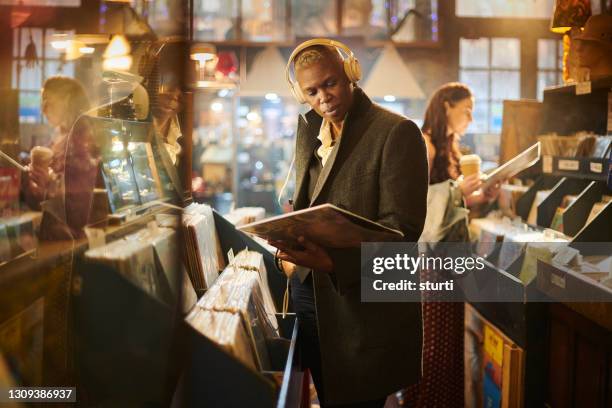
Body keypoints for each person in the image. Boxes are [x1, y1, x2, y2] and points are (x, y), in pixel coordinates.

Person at [271, 39, 429, 407]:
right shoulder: (311, 131)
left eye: (330, 83)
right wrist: (289, 250)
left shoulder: (396, 132)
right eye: (311, 91)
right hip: (310, 296)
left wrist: (333, 262)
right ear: (301, 94)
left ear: (351, 75)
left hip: (359, 307)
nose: (323, 97)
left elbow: (402, 234)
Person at [401, 82, 499, 407]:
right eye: (466, 110)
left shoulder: (449, 148)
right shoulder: (424, 144)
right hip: (430, 264)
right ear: (446, 106)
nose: (470, 118)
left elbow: (450, 211)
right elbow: (415, 205)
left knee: (448, 345)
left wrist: (481, 196)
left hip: (449, 259)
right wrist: (457, 188)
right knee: (434, 347)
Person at [25, 76, 100, 238]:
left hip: (75, 239)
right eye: (42, 102)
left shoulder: (82, 137)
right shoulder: (59, 134)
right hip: (57, 231)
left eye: (48, 101)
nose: (42, 109)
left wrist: (48, 183)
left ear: (66, 99)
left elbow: (79, 210)